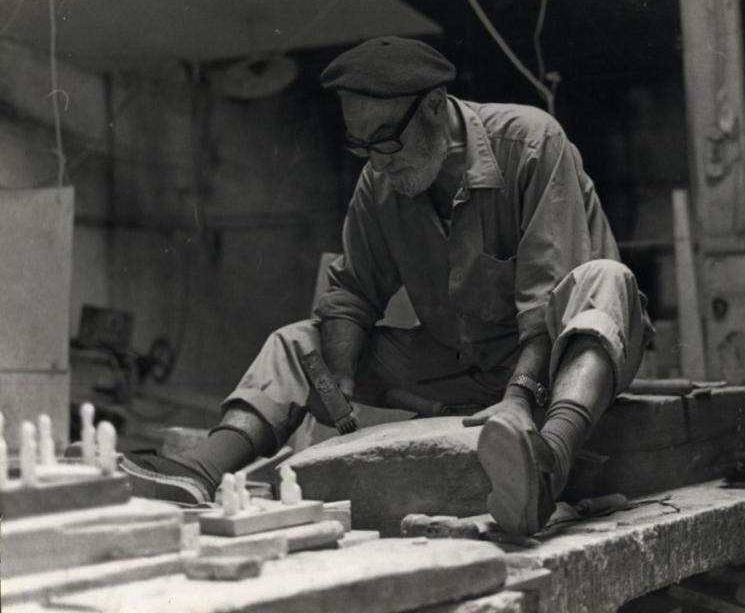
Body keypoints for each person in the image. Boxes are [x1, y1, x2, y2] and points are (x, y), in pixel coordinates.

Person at [121, 36, 654, 536]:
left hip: (566, 359)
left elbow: (548, 295)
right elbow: (351, 294)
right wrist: (340, 380)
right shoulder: (380, 181)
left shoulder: (531, 142)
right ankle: (202, 471)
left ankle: (548, 460)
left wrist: (518, 401)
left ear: (435, 106)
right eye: (362, 146)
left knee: (605, 278)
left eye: (387, 139)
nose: (378, 160)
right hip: (466, 368)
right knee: (298, 343)